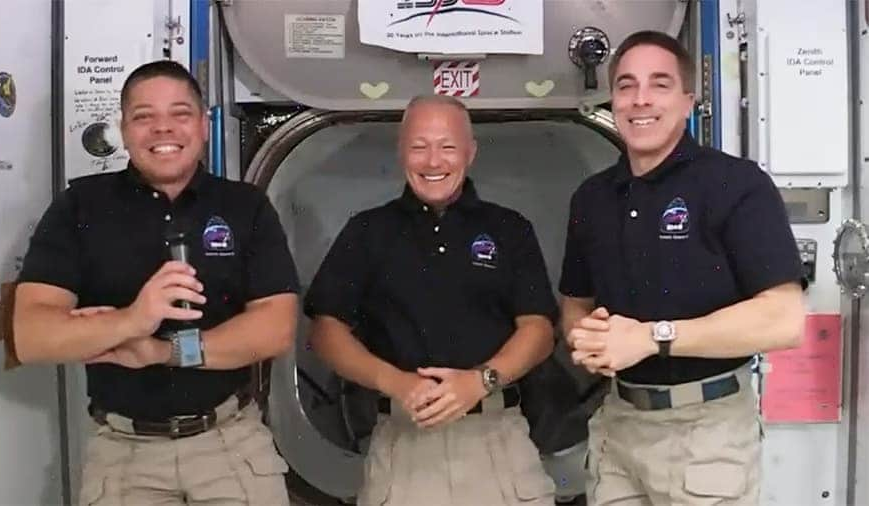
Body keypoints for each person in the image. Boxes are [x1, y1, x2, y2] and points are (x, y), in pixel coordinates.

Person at [13, 60, 298, 505]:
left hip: (230, 444)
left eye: (180, 114)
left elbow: (276, 328)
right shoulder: (80, 208)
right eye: (144, 117)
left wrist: (161, 351)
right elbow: (31, 336)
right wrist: (134, 319)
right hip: (124, 453)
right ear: (124, 130)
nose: (163, 129)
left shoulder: (246, 207)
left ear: (203, 126)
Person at [559, 30, 806, 505]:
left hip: (707, 432)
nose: (641, 99)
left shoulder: (735, 185)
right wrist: (586, 338)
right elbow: (575, 303)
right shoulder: (591, 199)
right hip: (618, 426)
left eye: (660, 84)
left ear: (689, 100)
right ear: (613, 99)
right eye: (627, 85)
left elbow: (784, 318)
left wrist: (652, 337)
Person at [304, 95, 558, 506]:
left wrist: (480, 381)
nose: (433, 161)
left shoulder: (510, 229)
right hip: (403, 443)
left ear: (470, 153)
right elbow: (325, 331)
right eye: (420, 146)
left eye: (448, 146)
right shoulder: (368, 231)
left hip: (497, 441)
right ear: (401, 151)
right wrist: (396, 383)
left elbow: (540, 330)